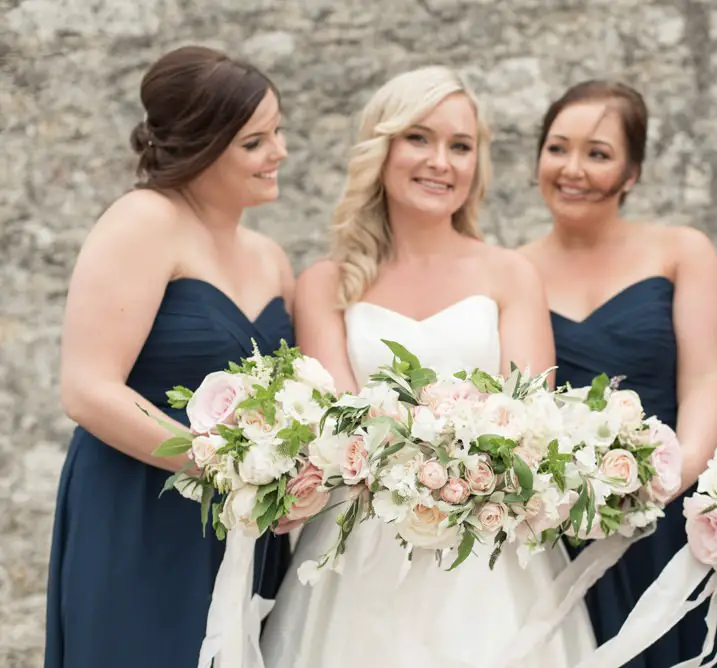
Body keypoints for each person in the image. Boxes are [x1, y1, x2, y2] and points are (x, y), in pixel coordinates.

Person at [259, 65, 595, 668]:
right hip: (359, 550)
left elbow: (532, 413)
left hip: (490, 548)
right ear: (381, 149)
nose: (441, 161)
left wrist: (468, 468)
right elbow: (338, 429)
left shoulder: (509, 275)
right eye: (419, 138)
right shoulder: (324, 284)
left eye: (460, 146)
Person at [44, 45, 294, 668]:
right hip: (142, 509)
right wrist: (223, 468)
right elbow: (88, 388)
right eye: (255, 142)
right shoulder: (142, 222)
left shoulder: (272, 258)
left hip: (244, 528)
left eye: (278, 132)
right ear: (203, 146)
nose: (279, 153)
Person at [519, 80, 717, 667]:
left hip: (673, 514)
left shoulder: (680, 252)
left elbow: (711, 378)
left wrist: (668, 479)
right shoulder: (511, 271)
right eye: (557, 148)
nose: (572, 169)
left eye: (597, 153)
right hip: (562, 521)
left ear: (632, 171)